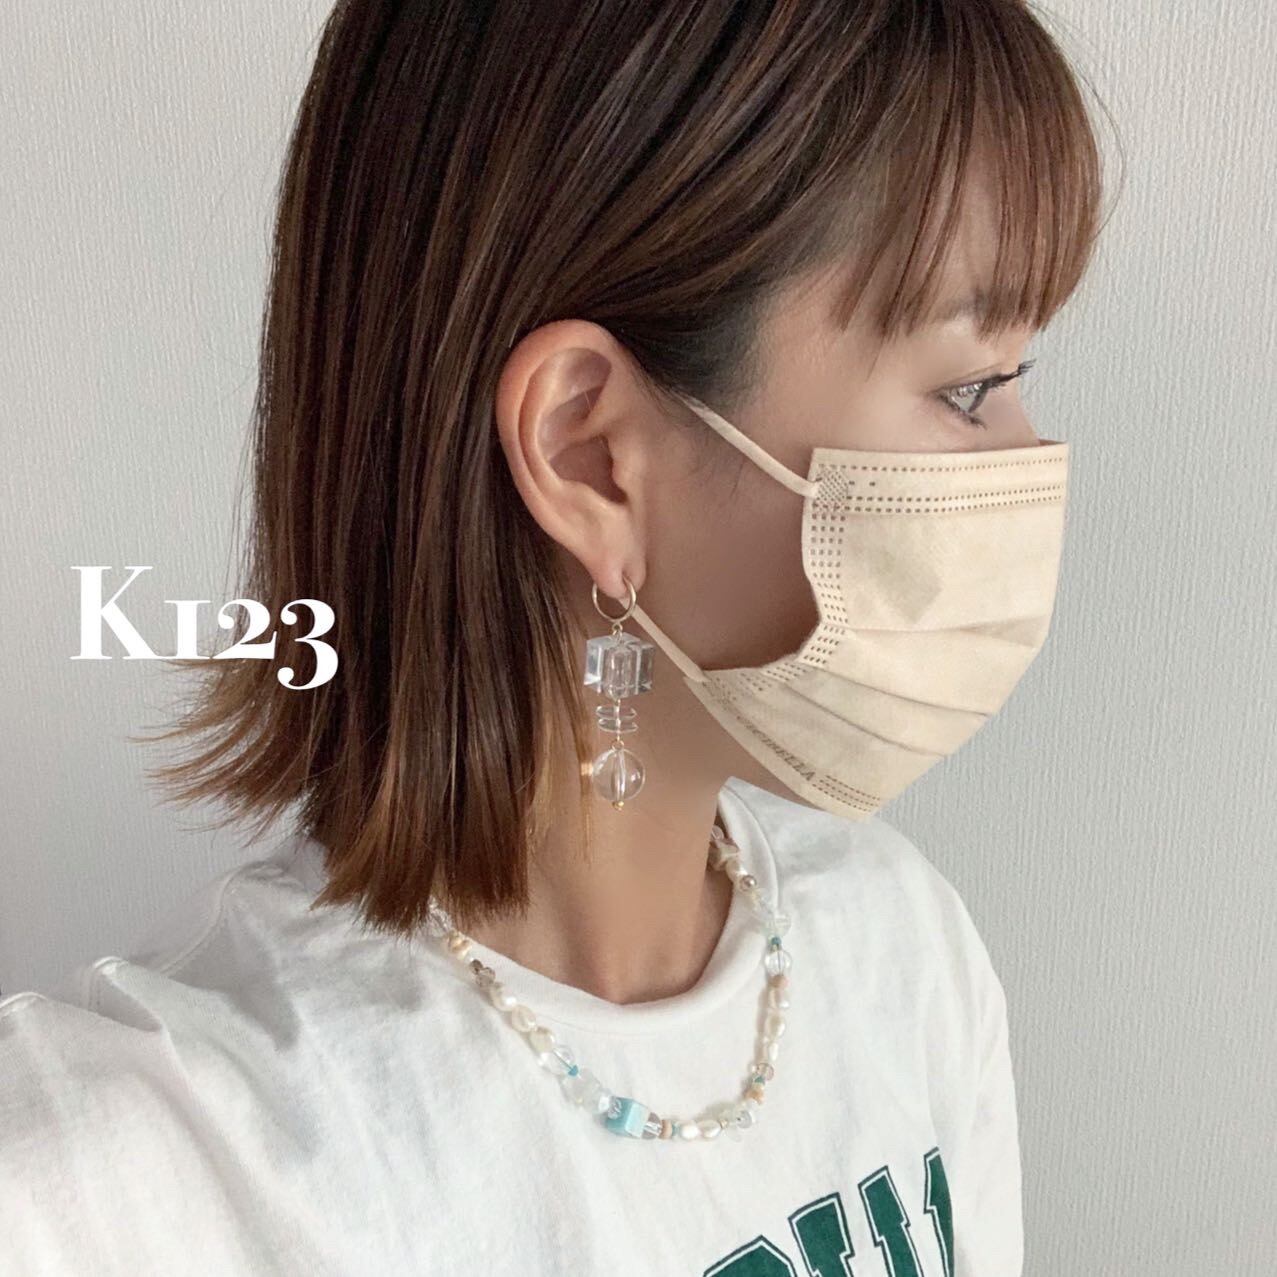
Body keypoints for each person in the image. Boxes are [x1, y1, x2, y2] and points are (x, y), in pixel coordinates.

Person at [0, 1, 1107, 1272]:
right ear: (589, 454)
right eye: (968, 387)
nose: (1027, 458)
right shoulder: (128, 1180)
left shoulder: (900, 950)